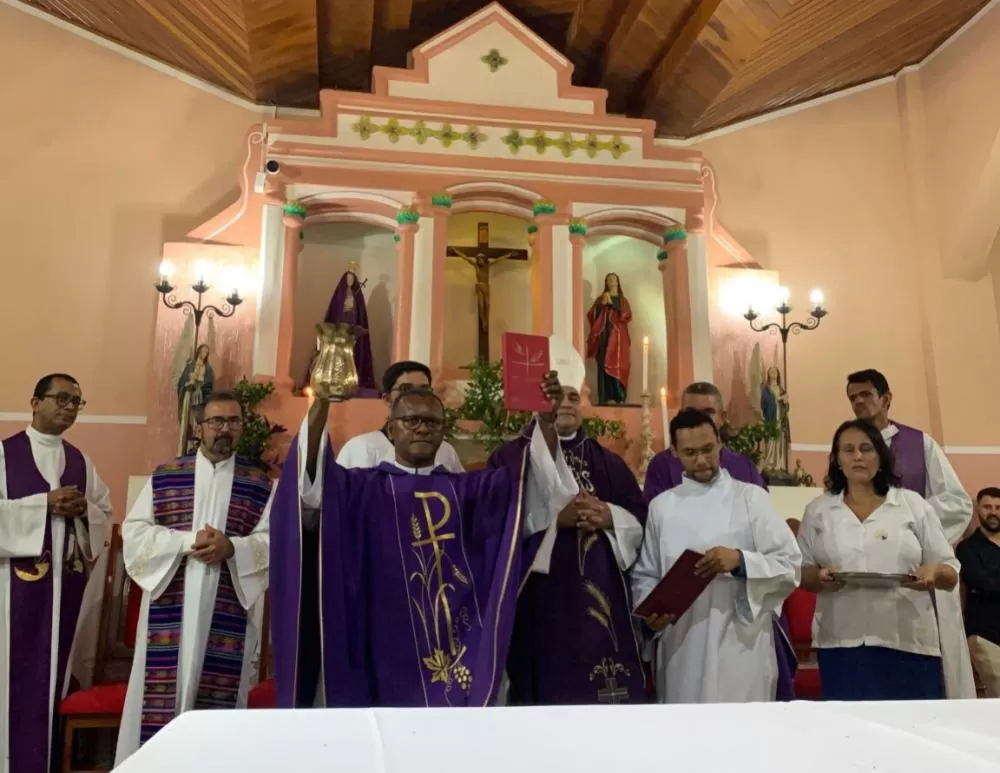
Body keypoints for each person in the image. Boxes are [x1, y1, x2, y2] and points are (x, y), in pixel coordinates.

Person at [268, 372, 577, 708]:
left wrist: (545, 421)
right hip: (376, 641)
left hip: (451, 646)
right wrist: (322, 404)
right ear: (391, 428)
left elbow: (531, 487)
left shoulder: (469, 492)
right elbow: (309, 483)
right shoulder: (361, 488)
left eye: (432, 422)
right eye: (411, 420)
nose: (422, 428)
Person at [116, 391, 271, 763]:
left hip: (229, 604)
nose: (225, 429)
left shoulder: (260, 483)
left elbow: (271, 540)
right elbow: (134, 534)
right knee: (160, 697)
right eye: (217, 421)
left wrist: (232, 548)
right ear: (198, 427)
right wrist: (188, 542)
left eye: (233, 422)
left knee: (220, 703)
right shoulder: (168, 476)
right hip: (172, 605)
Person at [487, 382, 647, 704]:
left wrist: (609, 516)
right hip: (540, 596)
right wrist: (554, 523)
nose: (566, 404)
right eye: (557, 396)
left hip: (604, 601)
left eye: (574, 397)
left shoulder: (609, 462)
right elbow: (491, 522)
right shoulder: (509, 459)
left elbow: (642, 517)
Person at [633, 409, 801, 703]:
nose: (701, 460)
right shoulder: (662, 507)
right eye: (690, 452)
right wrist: (652, 616)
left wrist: (741, 561)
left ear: (720, 443)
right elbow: (646, 575)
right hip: (683, 645)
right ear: (673, 452)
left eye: (708, 449)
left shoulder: (751, 498)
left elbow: (789, 565)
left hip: (742, 645)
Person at [797, 419, 958, 701]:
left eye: (866, 448)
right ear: (836, 460)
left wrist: (934, 572)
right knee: (852, 735)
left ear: (881, 458)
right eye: (848, 450)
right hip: (841, 642)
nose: (858, 456)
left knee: (915, 733)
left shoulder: (912, 504)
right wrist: (817, 578)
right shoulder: (819, 511)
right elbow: (800, 572)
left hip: (908, 642)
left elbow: (950, 572)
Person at [0, 373, 112, 773]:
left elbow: (105, 513)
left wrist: (86, 513)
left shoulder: (81, 461)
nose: (68, 407)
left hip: (65, 590)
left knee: (53, 677)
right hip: (12, 596)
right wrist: (41, 505)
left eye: (76, 402)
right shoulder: (4, 454)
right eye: (61, 398)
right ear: (34, 402)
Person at [845, 368, 976, 698]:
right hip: (865, 577)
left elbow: (958, 503)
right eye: (852, 398)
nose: (858, 402)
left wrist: (909, 524)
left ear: (886, 399)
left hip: (916, 577)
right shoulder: (848, 447)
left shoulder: (920, 444)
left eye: (865, 395)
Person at [643, 382, 764, 499]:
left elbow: (761, 509)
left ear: (722, 417)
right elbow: (655, 515)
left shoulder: (744, 466)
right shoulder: (661, 466)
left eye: (708, 412)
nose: (699, 418)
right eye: (691, 412)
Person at [336, 360, 463, 472]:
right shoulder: (361, 448)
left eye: (423, 390)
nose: (415, 396)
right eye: (405, 389)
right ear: (387, 399)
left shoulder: (446, 451)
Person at [956, 487, 1000, 697]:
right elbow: (980, 583)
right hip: (985, 635)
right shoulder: (967, 548)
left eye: (999, 507)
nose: (993, 512)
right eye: (987, 507)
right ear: (978, 510)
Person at [305, 265, 377, 391]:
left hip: (352, 327)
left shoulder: (357, 296)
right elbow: (334, 314)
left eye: (352, 279)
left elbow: (360, 315)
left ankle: (353, 380)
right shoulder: (339, 296)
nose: (349, 281)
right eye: (347, 279)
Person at [586, 272, 631, 405]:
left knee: (619, 365)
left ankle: (619, 397)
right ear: (606, 282)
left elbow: (626, 316)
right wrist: (602, 305)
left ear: (618, 282)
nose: (611, 281)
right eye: (609, 279)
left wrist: (611, 304)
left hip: (618, 337)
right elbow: (591, 315)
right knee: (603, 364)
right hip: (604, 336)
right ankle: (605, 397)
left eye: (613, 279)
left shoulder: (623, 300)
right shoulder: (600, 299)